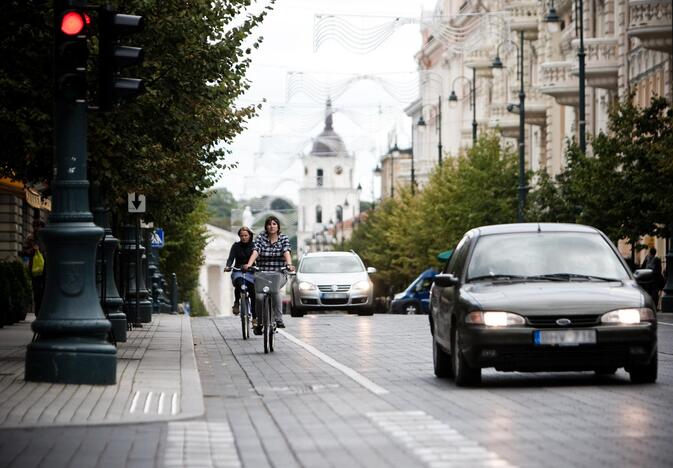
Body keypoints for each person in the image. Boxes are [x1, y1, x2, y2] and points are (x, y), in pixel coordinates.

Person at [243, 216, 295, 334]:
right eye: (269, 224)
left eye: (274, 224)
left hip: (278, 273)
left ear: (278, 226)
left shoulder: (283, 238)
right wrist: (249, 264)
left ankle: (278, 319)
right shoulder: (261, 237)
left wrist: (289, 264)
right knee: (259, 298)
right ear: (266, 226)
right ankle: (260, 323)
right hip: (262, 273)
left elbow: (286, 251)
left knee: (275, 290)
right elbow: (256, 251)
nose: (272, 226)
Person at [223, 227, 255, 317]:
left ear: (250, 236)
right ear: (239, 236)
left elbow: (258, 258)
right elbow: (230, 258)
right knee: (239, 282)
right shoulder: (236, 246)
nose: (244, 237)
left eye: (246, 235)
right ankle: (237, 302)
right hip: (238, 270)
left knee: (253, 292)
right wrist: (228, 266)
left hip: (251, 271)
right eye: (242, 236)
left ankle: (255, 316)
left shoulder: (254, 246)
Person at [22, 234, 45, 316]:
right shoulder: (30, 238)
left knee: (45, 292)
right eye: (35, 225)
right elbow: (23, 252)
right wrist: (33, 250)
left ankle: (44, 312)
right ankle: (38, 313)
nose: (37, 227)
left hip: (46, 270)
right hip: (35, 270)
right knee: (37, 292)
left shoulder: (46, 236)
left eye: (39, 225)